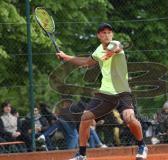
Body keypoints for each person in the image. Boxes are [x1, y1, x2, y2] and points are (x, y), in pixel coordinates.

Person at [56, 23, 148, 160]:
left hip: (122, 91)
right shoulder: (98, 50)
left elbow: (117, 47)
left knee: (129, 118)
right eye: (103, 33)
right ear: (99, 36)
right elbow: (87, 62)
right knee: (85, 117)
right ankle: (82, 154)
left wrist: (112, 52)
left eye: (109, 32)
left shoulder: (115, 44)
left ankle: (142, 146)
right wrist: (66, 57)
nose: (107, 35)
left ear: (112, 35)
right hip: (105, 93)